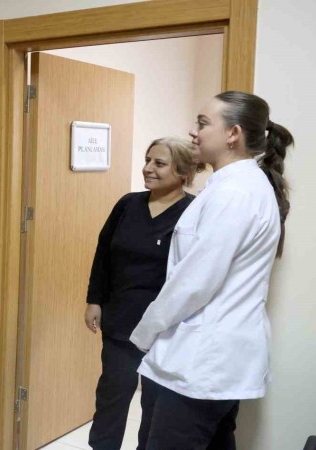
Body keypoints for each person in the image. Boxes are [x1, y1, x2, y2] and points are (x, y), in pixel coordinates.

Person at [130, 91, 294, 450]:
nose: (193, 131)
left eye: (203, 124)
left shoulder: (235, 193)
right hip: (206, 361)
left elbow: (194, 282)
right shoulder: (232, 187)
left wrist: (144, 333)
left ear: (233, 134)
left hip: (200, 363)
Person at [85, 137, 204, 450]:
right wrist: (94, 299)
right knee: (112, 396)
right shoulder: (128, 204)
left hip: (166, 329)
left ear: (183, 173)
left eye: (159, 163)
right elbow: (103, 254)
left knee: (155, 405)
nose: (148, 168)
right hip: (121, 321)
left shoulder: (193, 212)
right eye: (147, 160)